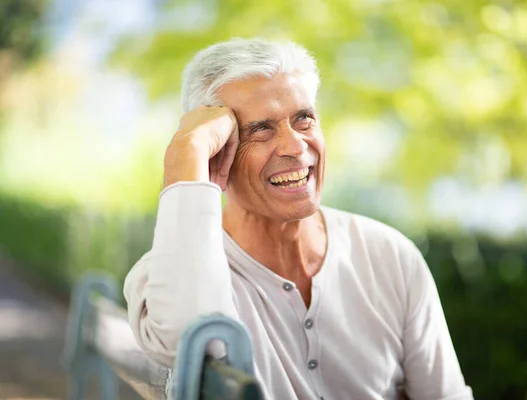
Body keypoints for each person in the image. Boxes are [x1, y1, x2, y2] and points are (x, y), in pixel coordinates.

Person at [123, 37, 473, 400]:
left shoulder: (390, 256)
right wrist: (187, 152)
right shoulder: (169, 275)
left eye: (303, 118)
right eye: (260, 129)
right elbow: (186, 340)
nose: (295, 147)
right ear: (218, 151)